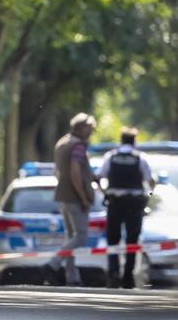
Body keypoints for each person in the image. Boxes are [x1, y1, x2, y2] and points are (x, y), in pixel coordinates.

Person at [43, 113, 98, 287]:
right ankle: (52, 265)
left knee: (70, 237)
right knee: (80, 237)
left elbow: (58, 171)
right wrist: (83, 197)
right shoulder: (78, 146)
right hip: (75, 198)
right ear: (82, 127)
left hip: (62, 196)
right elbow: (75, 172)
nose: (91, 132)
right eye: (90, 128)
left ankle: (72, 277)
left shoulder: (62, 143)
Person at [97, 127, 155, 289]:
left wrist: (105, 193)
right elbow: (151, 181)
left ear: (121, 140)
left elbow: (99, 177)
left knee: (113, 239)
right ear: (134, 141)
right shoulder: (139, 158)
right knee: (132, 240)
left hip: (115, 202)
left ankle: (114, 273)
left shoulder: (111, 156)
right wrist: (148, 197)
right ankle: (128, 277)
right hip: (135, 203)